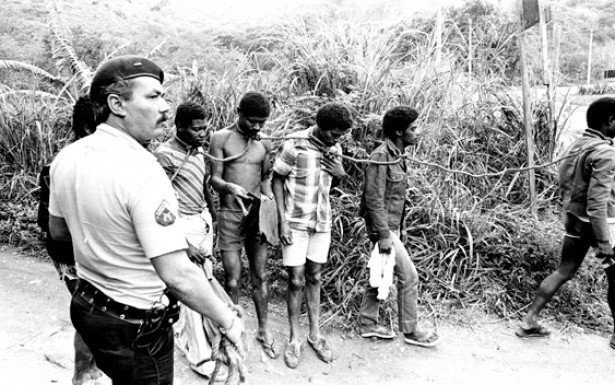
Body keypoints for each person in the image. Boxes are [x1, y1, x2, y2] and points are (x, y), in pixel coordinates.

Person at [48, 55, 244, 384]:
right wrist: (229, 322)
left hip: (88, 308)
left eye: (164, 96)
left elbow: (58, 232)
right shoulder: (144, 170)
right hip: (136, 327)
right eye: (153, 96)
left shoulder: (67, 157)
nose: (166, 107)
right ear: (116, 104)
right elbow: (178, 275)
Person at [517, 96, 615, 350]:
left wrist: (571, 215)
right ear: (610, 122)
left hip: (574, 220)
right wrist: (604, 242)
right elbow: (597, 203)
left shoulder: (577, 146)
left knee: (564, 270)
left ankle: (529, 320)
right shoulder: (604, 152)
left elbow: (565, 183)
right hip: (597, 225)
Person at [272, 102, 352, 368]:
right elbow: (277, 179)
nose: (336, 139)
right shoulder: (294, 143)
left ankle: (315, 335)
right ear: (319, 126)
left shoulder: (335, 148)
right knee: (295, 280)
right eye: (333, 134)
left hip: (322, 221)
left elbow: (335, 181)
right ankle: (294, 338)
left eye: (340, 135)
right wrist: (282, 221)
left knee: (315, 276)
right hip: (295, 221)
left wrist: (340, 173)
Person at [357, 106, 441, 348]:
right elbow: (374, 199)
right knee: (409, 276)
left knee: (382, 269)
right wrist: (384, 235)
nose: (418, 132)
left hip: (392, 226)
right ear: (398, 131)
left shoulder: (397, 154)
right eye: (413, 129)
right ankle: (411, 330)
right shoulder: (381, 156)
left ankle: (368, 322)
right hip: (383, 228)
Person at [37, 95, 106, 385]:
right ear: (92, 128)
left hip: (79, 249)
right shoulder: (70, 163)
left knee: (95, 315)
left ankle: (90, 370)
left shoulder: (86, 158)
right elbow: (53, 226)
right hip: (73, 252)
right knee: (92, 315)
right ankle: (83, 373)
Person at [209, 91, 279, 359]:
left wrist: (269, 203)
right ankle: (232, 333)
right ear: (238, 113)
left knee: (260, 275)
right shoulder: (220, 138)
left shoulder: (264, 145)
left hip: (256, 215)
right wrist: (230, 187)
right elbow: (214, 179)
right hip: (229, 213)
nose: (257, 127)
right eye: (252, 121)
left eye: (262, 122)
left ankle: (264, 330)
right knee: (232, 279)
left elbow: (264, 180)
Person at [153, 101, 219, 376]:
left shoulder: (199, 151)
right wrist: (184, 244)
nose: (203, 133)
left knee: (206, 283)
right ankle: (200, 356)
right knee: (191, 290)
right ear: (179, 127)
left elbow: (204, 187)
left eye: (205, 128)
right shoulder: (164, 155)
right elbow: (160, 205)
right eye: (196, 129)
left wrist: (213, 218)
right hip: (183, 229)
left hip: (202, 223)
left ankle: (188, 336)